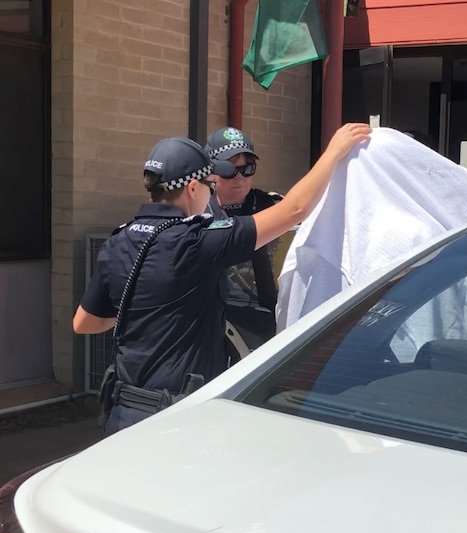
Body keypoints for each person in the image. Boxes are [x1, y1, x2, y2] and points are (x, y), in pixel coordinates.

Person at [72, 123, 372, 435]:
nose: (211, 192)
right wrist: (334, 151)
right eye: (209, 185)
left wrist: (152, 307)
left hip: (122, 413)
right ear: (191, 188)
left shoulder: (119, 240)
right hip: (175, 420)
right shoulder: (197, 242)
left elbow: (85, 323)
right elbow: (294, 209)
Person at [204, 127, 283, 320]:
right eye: (230, 170)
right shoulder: (198, 212)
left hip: (271, 315)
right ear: (212, 171)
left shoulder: (273, 206)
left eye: (247, 169)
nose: (240, 177)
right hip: (217, 318)